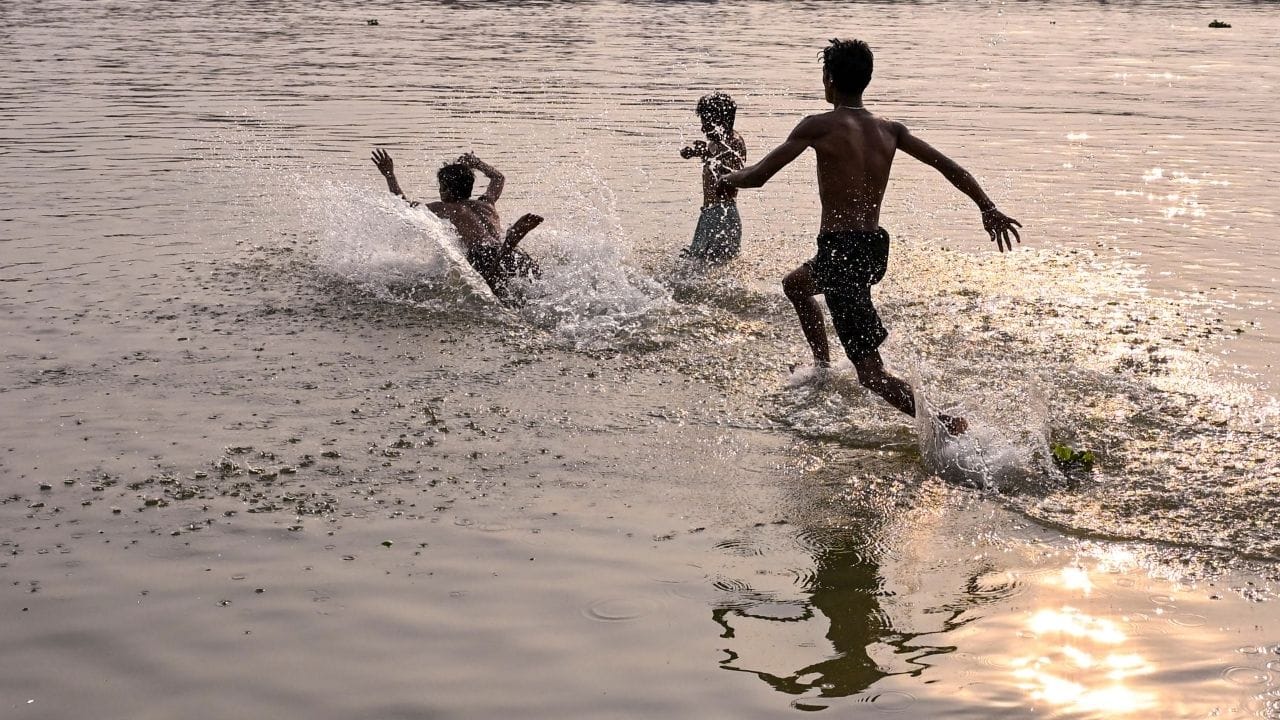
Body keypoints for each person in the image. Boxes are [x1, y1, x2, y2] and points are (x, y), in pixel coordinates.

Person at [720, 39, 1022, 435]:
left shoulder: (819, 125)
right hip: (871, 247)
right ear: (867, 79)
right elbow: (950, 168)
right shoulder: (890, 130)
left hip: (842, 251)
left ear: (828, 80)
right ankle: (823, 368)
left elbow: (758, 176)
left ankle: (946, 425)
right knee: (796, 285)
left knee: (871, 375)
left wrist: (727, 176)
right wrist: (987, 207)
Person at [370, 149, 543, 300]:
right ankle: (510, 243)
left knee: (493, 293)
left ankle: (510, 242)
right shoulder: (487, 204)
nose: (440, 191)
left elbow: (404, 206)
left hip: (482, 255)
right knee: (535, 289)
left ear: (445, 189)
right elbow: (498, 178)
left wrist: (389, 175)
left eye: (441, 187)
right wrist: (477, 163)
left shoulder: (447, 208)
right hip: (512, 254)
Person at [679, 92, 747, 264]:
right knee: (695, 264)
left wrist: (709, 153)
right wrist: (699, 152)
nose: (703, 129)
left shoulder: (734, 142)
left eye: (706, 124)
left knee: (703, 266)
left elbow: (733, 173)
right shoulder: (716, 144)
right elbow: (714, 159)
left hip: (722, 214)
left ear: (721, 122)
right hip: (710, 214)